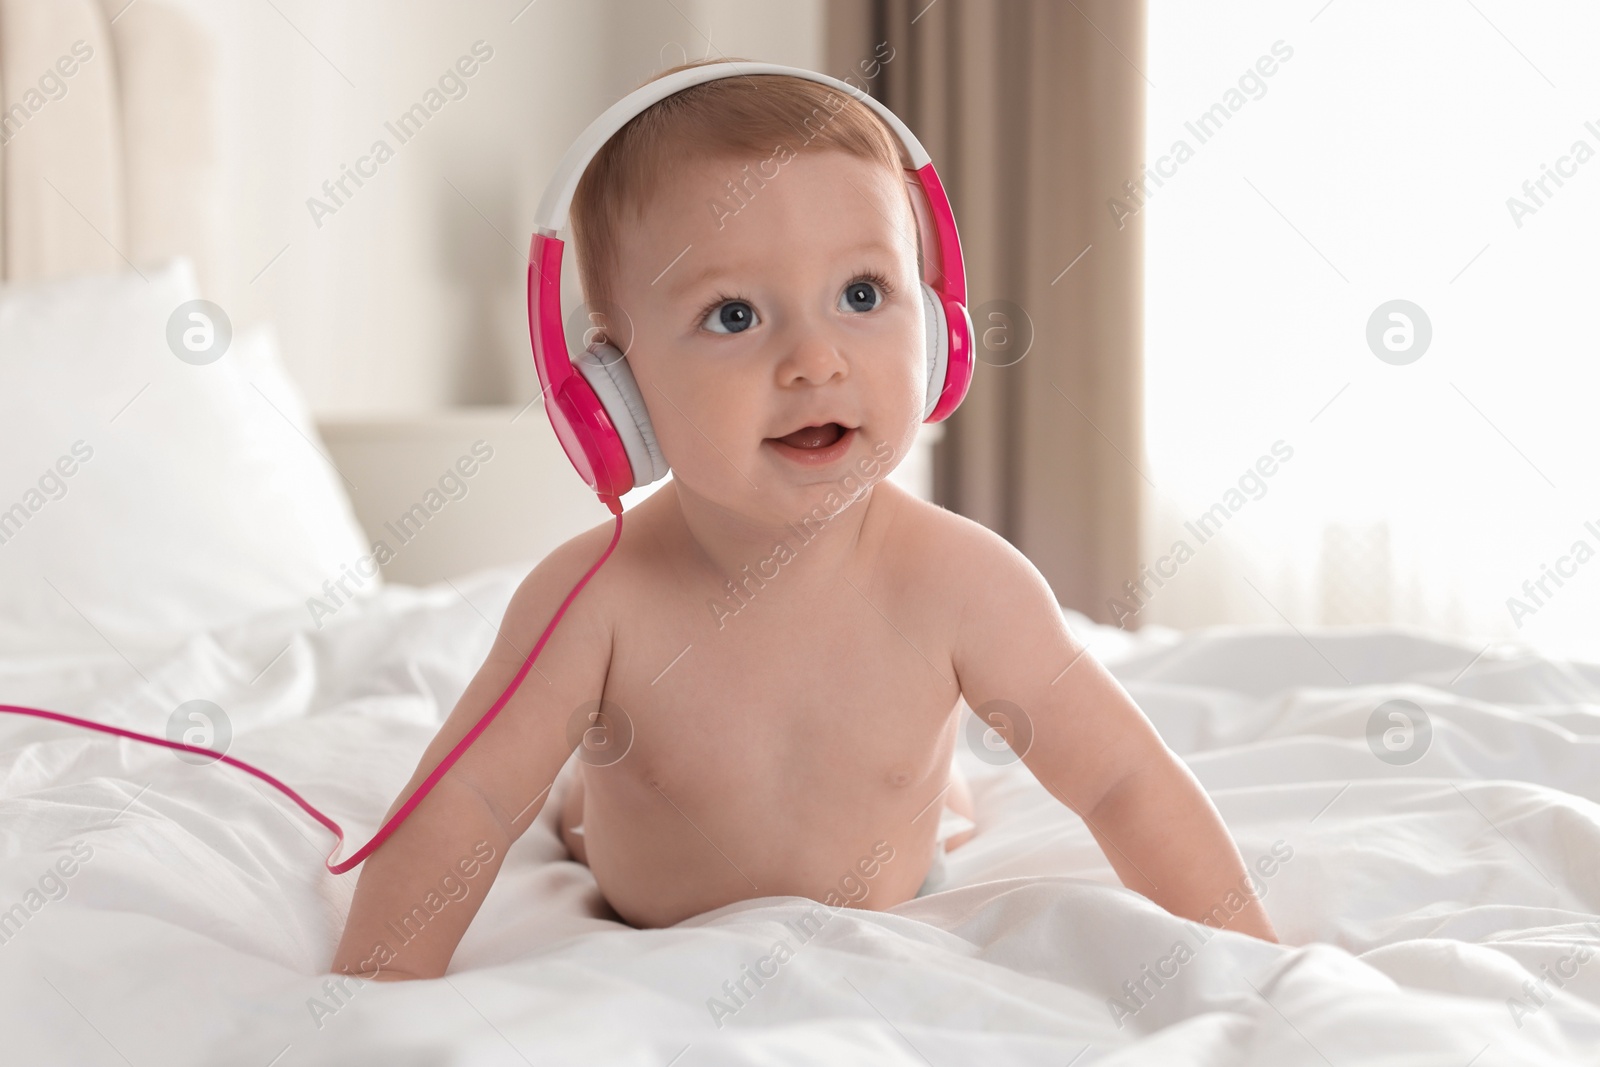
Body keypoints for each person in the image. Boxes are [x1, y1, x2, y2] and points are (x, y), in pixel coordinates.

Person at [332, 58, 1277, 982]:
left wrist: (1259, 963)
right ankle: (588, 796)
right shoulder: (593, 600)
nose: (813, 360)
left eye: (863, 295)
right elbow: (467, 797)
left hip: (905, 877)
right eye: (734, 314)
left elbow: (1121, 781)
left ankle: (935, 796)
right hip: (633, 883)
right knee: (577, 796)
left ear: (941, 330)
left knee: (931, 795)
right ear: (614, 387)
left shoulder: (966, 584)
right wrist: (367, 995)